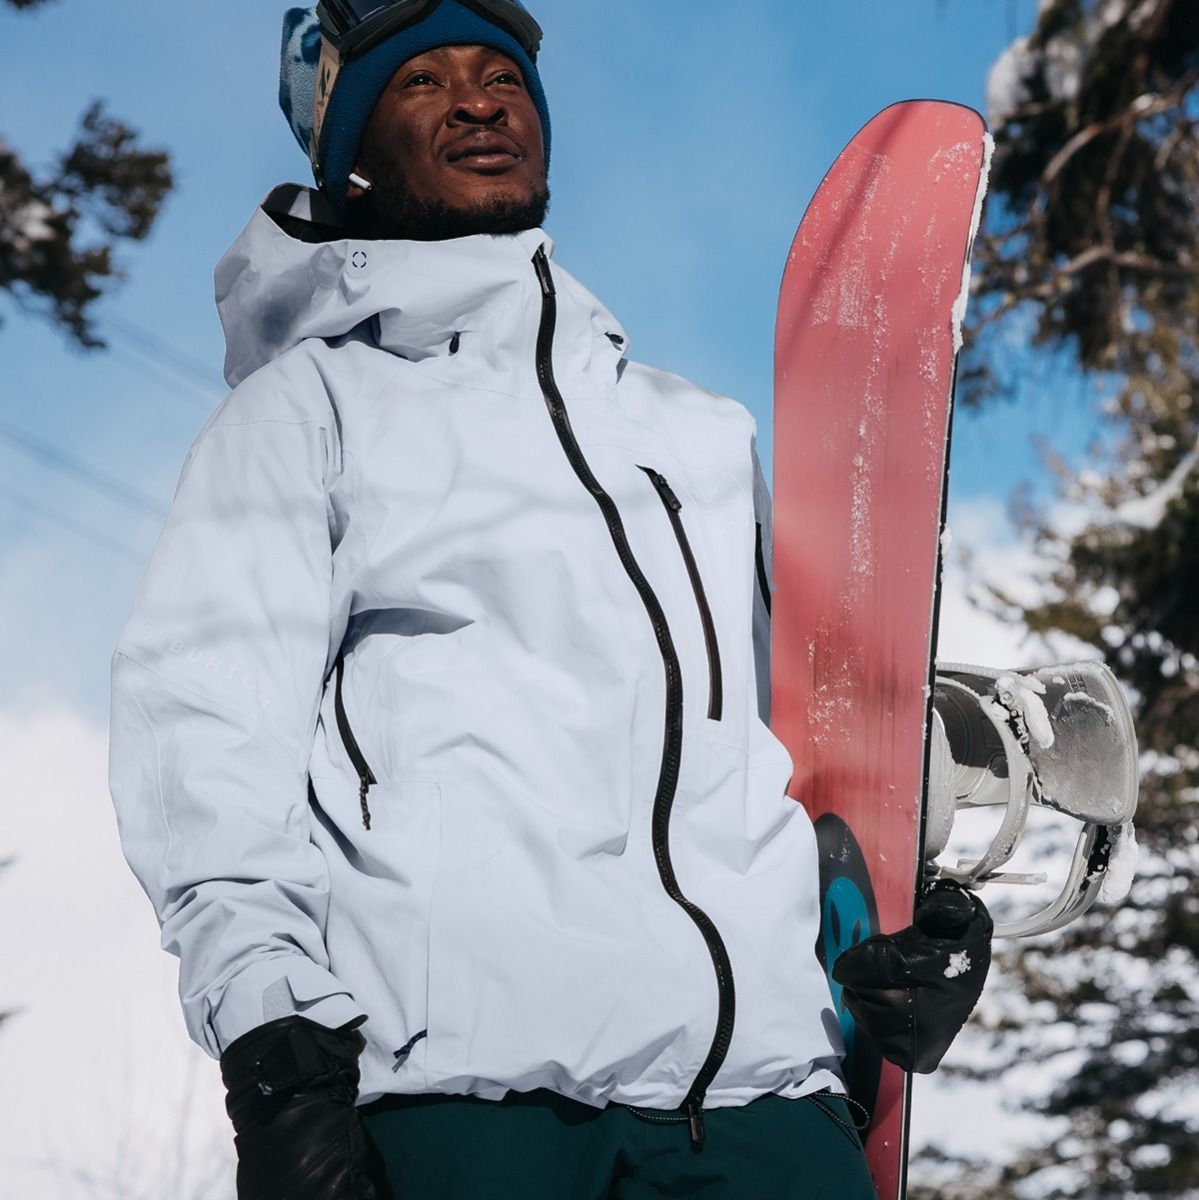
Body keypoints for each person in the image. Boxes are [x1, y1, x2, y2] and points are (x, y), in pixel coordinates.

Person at [108, 3, 990, 1197]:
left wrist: (891, 937)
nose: (478, 99)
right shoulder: (304, 417)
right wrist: (277, 1061)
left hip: (763, 1109)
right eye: (420, 81)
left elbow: (794, 750)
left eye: (500, 75)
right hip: (470, 1112)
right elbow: (205, 752)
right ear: (353, 155)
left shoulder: (692, 434)